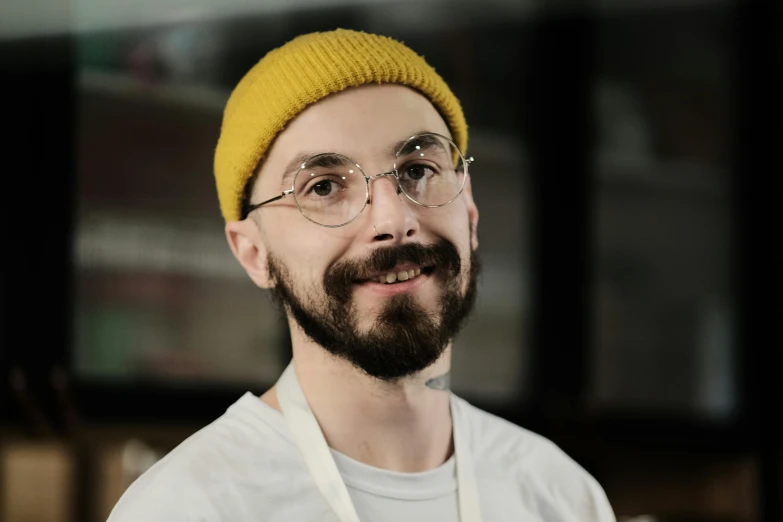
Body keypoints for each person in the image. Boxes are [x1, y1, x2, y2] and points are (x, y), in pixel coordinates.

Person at [107, 29, 616, 522]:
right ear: (253, 253)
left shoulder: (561, 495)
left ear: (471, 213)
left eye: (418, 169)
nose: (394, 220)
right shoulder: (188, 506)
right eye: (325, 187)